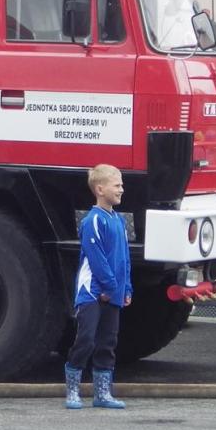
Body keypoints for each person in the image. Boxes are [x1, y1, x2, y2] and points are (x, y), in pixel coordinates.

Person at [63, 164, 130, 410]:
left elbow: (124, 258)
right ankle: (73, 389)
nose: (121, 189)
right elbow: (96, 258)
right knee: (86, 339)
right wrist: (109, 286)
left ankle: (102, 393)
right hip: (92, 291)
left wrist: (127, 288)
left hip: (113, 292)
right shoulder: (92, 220)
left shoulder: (120, 221)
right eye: (117, 185)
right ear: (100, 189)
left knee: (107, 342)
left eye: (121, 185)